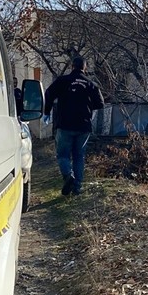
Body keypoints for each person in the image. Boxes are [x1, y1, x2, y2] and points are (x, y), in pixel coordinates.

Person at [43, 55, 104, 196]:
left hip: (65, 124)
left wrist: (47, 111)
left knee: (63, 155)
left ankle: (68, 175)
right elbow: (100, 103)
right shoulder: (91, 84)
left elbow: (49, 94)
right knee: (79, 156)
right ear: (85, 68)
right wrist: (87, 107)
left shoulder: (63, 81)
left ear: (72, 66)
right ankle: (77, 187)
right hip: (83, 126)